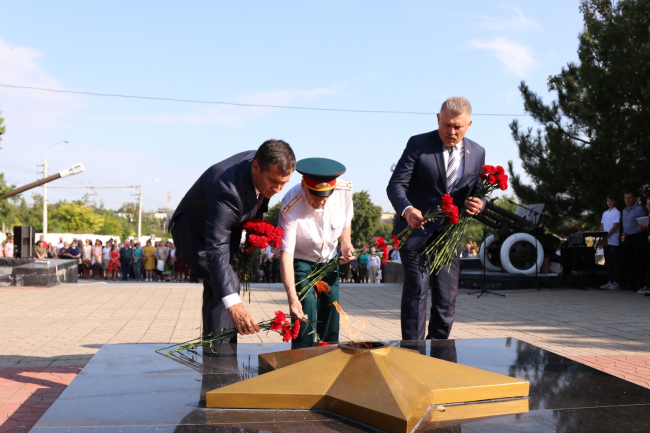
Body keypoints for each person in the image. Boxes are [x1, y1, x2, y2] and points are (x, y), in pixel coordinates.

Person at [170, 139, 295, 340]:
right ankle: (219, 353)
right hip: (194, 234)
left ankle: (217, 347)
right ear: (256, 167)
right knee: (226, 286)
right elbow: (216, 248)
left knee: (223, 284)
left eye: (284, 183)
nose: (278, 189)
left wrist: (254, 237)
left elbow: (259, 202)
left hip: (226, 230)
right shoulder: (226, 188)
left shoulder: (267, 164)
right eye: (274, 182)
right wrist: (235, 307)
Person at [387, 96, 485, 340]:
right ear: (438, 118)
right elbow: (396, 185)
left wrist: (480, 204)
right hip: (415, 231)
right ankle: (413, 350)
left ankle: (439, 350)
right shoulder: (418, 144)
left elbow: (477, 192)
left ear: (469, 124)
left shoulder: (477, 152)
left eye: (457, 127)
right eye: (446, 125)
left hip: (449, 236)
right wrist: (407, 209)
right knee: (417, 291)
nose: (451, 132)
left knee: (446, 297)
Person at [279, 157, 354, 347]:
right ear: (304, 186)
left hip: (329, 260)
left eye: (326, 196)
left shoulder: (344, 191)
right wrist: (292, 299)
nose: (322, 202)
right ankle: (302, 356)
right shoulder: (291, 204)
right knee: (304, 309)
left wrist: (346, 243)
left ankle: (329, 352)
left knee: (331, 306)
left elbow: (345, 223)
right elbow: (286, 255)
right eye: (316, 196)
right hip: (301, 260)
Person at [621, 191, 646, 291]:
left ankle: (640, 284)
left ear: (634, 198)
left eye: (629, 198)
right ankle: (631, 283)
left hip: (636, 237)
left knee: (638, 261)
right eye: (626, 198)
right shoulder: (624, 210)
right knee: (629, 261)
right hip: (627, 237)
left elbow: (644, 225)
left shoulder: (639, 210)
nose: (627, 200)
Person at [600, 194, 621, 290]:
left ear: (615, 201)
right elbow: (602, 226)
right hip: (606, 241)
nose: (609, 203)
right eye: (608, 201)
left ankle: (616, 281)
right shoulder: (605, 213)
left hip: (613, 241)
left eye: (611, 201)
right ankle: (610, 280)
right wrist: (602, 237)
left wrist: (606, 236)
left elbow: (614, 227)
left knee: (614, 262)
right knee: (608, 262)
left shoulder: (617, 212)